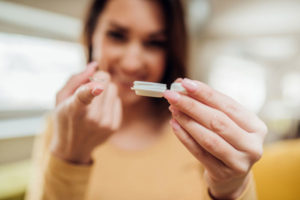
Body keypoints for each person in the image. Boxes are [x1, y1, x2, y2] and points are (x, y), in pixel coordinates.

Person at [26, 0, 267, 199]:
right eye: (117, 36)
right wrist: (68, 158)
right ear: (91, 37)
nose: (132, 63)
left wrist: (232, 188)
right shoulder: (61, 127)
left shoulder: (202, 135)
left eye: (154, 43)